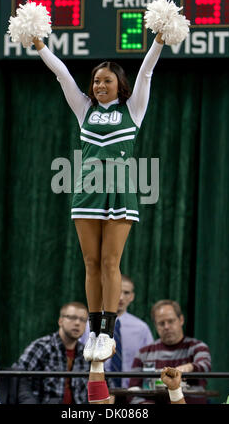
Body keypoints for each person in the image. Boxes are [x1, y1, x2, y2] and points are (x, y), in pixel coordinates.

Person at [33, 31, 164, 363]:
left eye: (106, 81)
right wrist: (40, 47)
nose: (99, 86)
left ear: (119, 84)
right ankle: (94, 330)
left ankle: (108, 330)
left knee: (110, 262)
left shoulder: (133, 108)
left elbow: (147, 71)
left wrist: (159, 40)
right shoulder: (83, 109)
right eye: (95, 81)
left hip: (121, 187)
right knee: (91, 263)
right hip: (87, 188)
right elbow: (62, 74)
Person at [129, 299, 211, 404]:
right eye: (161, 323)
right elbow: (133, 390)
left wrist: (189, 367)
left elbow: (205, 366)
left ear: (181, 320)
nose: (166, 327)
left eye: (171, 321)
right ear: (155, 325)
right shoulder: (143, 353)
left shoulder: (198, 347)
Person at [81, 274, 154, 388]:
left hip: (131, 392)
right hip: (96, 387)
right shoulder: (89, 326)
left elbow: (150, 361)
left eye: (126, 293)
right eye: (117, 291)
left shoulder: (142, 328)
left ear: (132, 297)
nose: (120, 297)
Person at [13, 301, 90, 404]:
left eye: (83, 320)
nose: (77, 323)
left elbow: (107, 385)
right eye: (72, 317)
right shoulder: (41, 347)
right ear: (60, 321)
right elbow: (16, 377)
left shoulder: (88, 353)